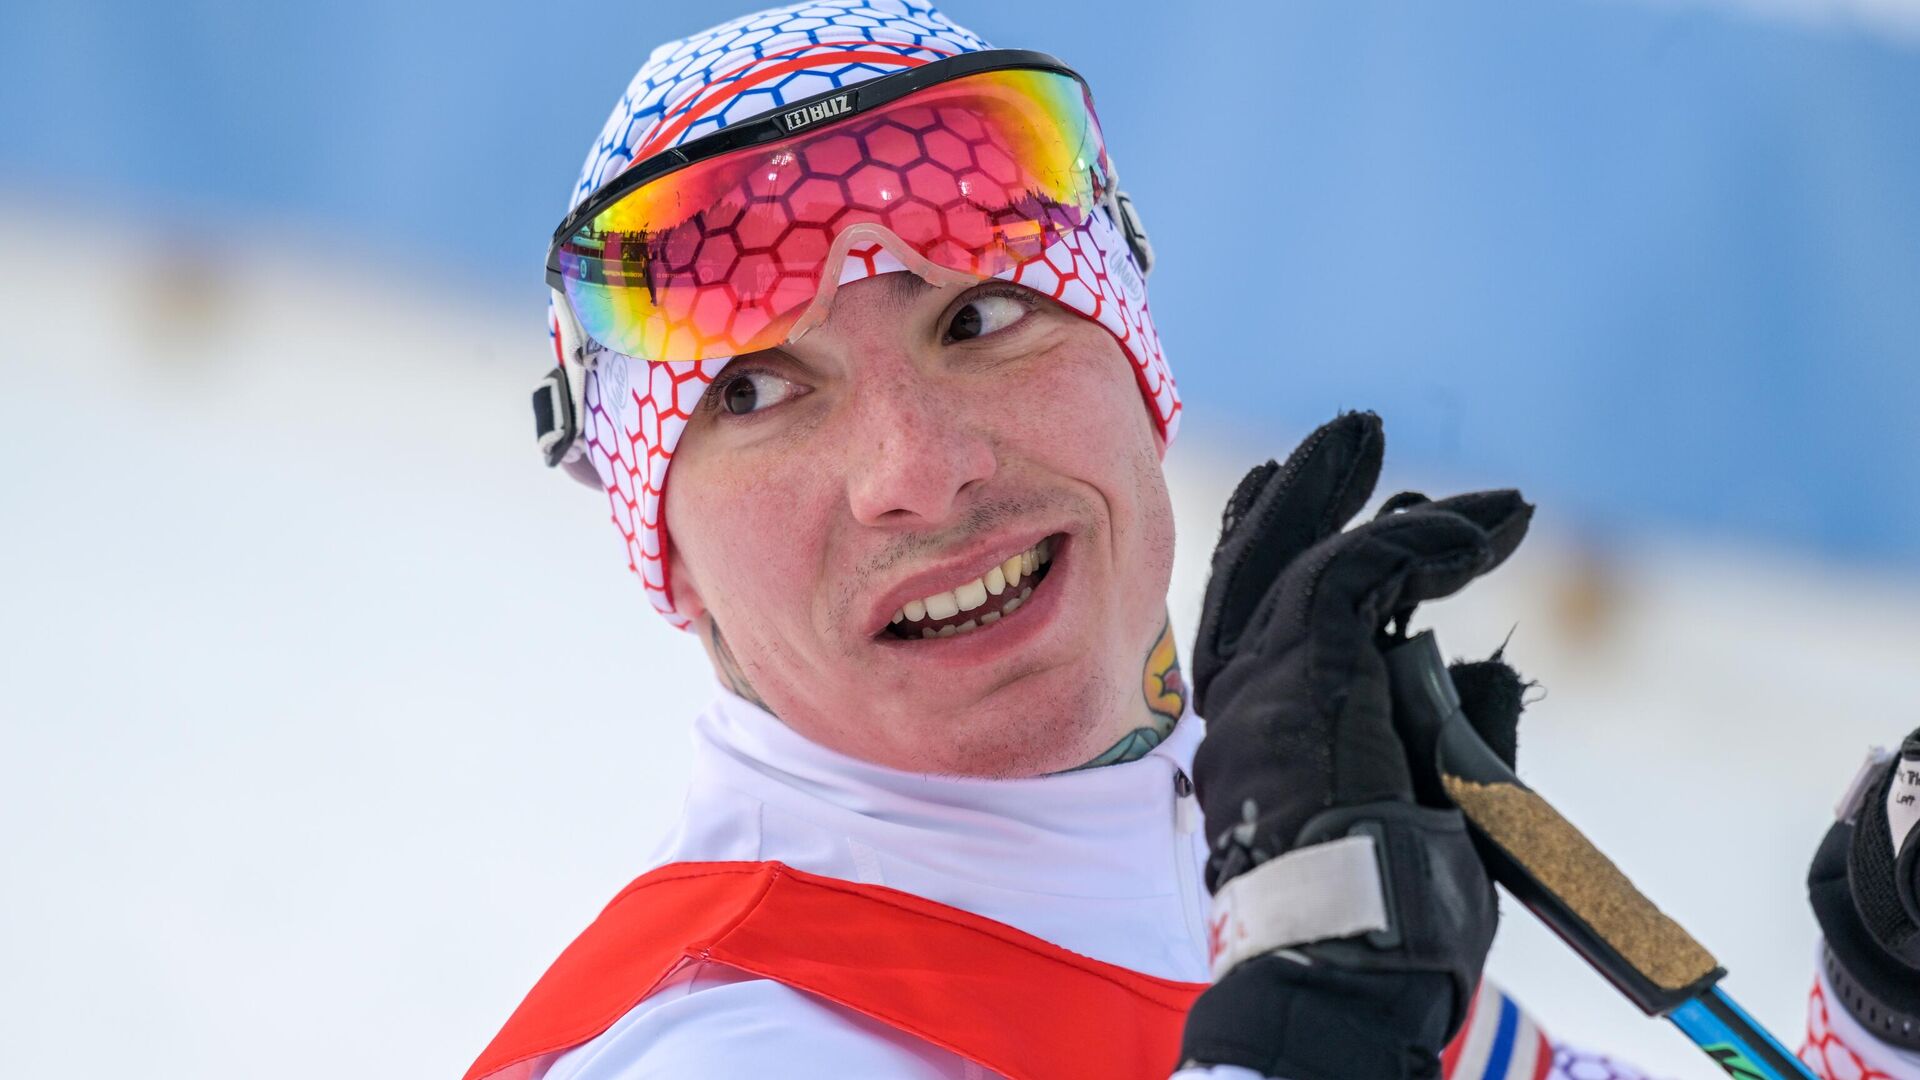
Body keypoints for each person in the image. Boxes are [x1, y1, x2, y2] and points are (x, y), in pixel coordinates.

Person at [468, 3, 1920, 1078]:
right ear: (668, 547)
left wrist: (1882, 990)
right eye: (760, 392)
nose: (920, 471)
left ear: (1138, 366)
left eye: (980, 316)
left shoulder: (1257, 866)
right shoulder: (725, 1038)